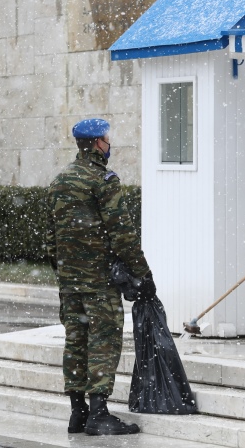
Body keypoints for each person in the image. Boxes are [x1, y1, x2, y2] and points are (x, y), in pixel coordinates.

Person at [44, 118, 155, 436]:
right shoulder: (103, 180)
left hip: (70, 282)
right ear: (96, 144)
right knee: (103, 342)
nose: (110, 144)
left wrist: (65, 273)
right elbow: (122, 234)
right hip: (99, 282)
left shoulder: (59, 180)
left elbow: (51, 238)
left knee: (75, 342)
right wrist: (142, 272)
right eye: (107, 139)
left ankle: (77, 413)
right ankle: (99, 414)